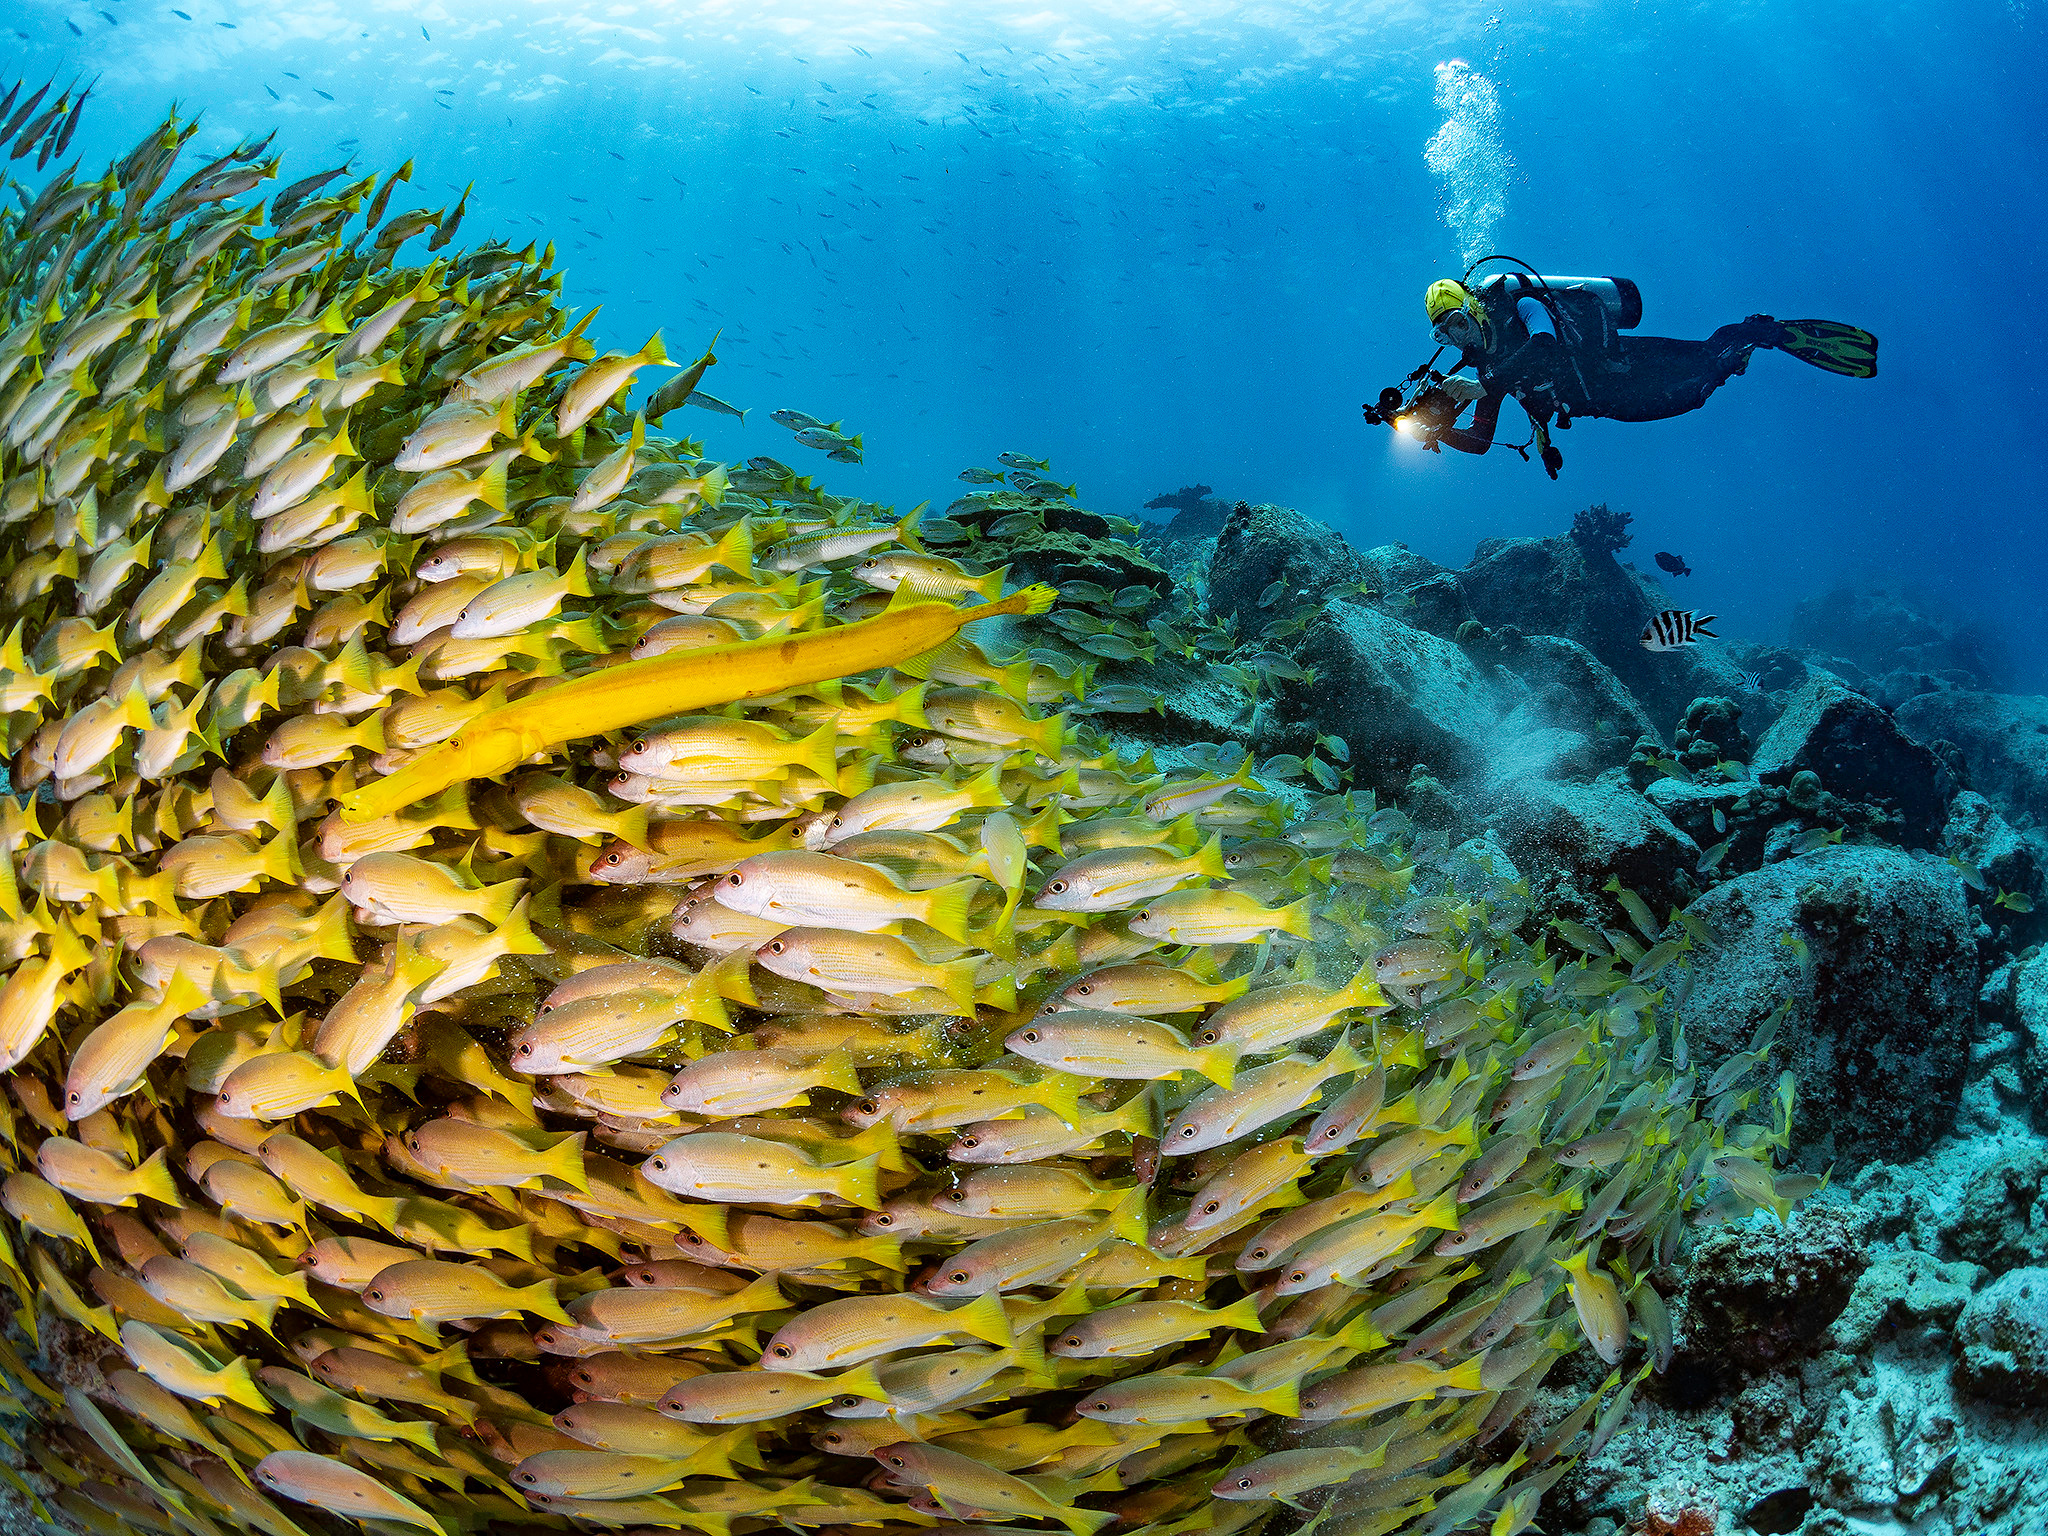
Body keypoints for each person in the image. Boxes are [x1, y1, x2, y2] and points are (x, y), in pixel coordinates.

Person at [1402, 271, 1877, 478]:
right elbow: (1483, 439)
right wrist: (1443, 432)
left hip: (1624, 363)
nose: (1459, 339)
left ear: (1473, 309)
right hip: (1608, 403)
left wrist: (1484, 383)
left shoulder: (1517, 307)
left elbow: (1545, 344)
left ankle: (1759, 333)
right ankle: (1741, 351)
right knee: (1697, 394)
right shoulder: (1484, 367)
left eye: (1459, 323)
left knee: (1704, 368)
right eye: (1445, 336)